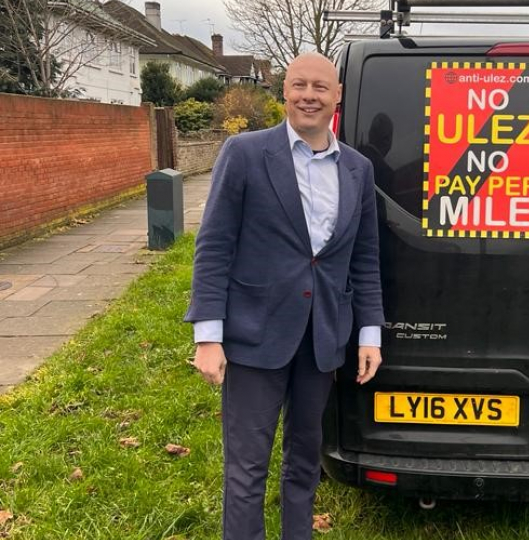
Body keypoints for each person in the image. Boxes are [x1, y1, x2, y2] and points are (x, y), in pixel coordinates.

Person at [184, 51, 384, 540]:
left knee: (303, 463)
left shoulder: (357, 169)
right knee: (247, 471)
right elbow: (214, 246)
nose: (308, 96)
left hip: (321, 342)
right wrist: (208, 335)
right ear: (285, 92)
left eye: (320, 87)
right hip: (254, 336)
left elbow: (363, 258)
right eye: (299, 85)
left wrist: (369, 334)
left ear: (338, 95)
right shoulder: (245, 153)